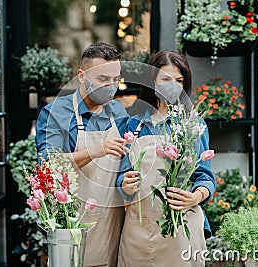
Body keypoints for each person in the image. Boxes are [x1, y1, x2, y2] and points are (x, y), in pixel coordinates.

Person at [116, 50, 216, 267]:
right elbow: (121, 179)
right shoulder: (133, 126)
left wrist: (195, 197)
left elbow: (205, 177)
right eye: (166, 79)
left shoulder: (192, 125)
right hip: (139, 229)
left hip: (180, 226)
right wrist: (126, 185)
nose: (172, 86)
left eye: (179, 80)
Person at [36, 42, 129, 267]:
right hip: (72, 224)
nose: (110, 86)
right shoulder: (56, 113)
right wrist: (97, 150)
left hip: (112, 224)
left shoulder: (119, 112)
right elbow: (49, 164)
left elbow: (126, 165)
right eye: (102, 79)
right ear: (82, 76)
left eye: (115, 80)